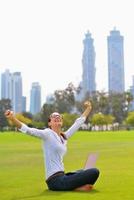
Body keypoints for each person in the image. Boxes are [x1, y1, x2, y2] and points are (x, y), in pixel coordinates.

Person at [5, 101, 99, 191]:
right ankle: (77, 187)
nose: (57, 117)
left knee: (87, 169)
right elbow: (28, 130)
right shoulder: (47, 134)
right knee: (94, 171)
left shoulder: (63, 137)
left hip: (63, 176)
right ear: (50, 123)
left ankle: (77, 186)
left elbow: (78, 123)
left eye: (59, 116)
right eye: (54, 116)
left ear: (61, 121)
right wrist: (12, 118)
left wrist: (89, 108)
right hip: (55, 181)